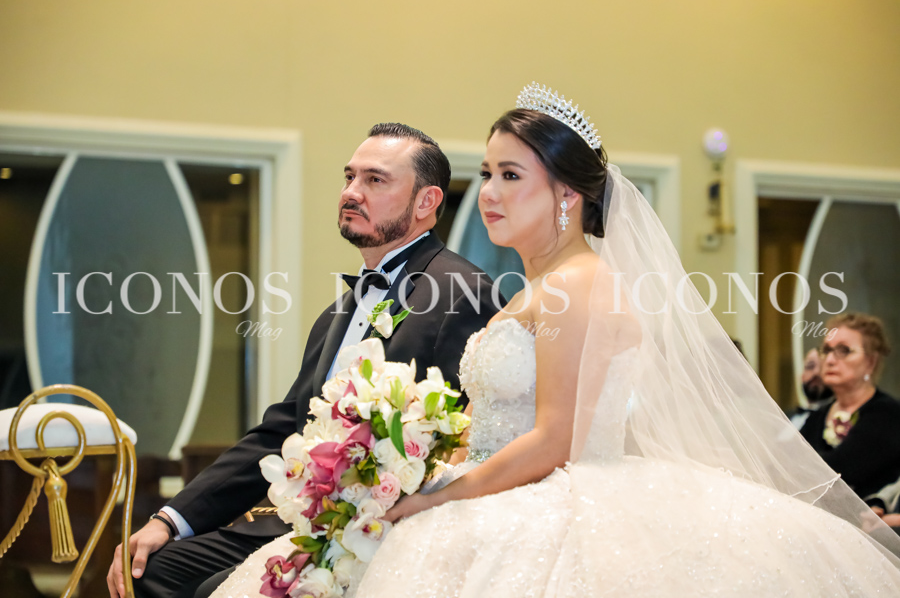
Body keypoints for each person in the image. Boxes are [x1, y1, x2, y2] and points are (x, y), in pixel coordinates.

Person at [209, 84, 900, 597]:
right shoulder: (534, 288)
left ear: (567, 195)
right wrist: (413, 459)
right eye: (486, 174)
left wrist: (435, 499)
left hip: (560, 503)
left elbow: (555, 437)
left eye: (511, 176)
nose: (489, 192)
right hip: (503, 486)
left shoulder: (580, 283)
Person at [106, 123, 501, 598]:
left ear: (426, 202)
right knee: (147, 571)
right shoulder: (337, 313)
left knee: (216, 589)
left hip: (384, 532)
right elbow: (282, 429)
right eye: (349, 177)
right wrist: (169, 519)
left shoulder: (462, 293)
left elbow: (472, 436)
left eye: (375, 180)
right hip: (292, 522)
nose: (351, 192)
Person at [799, 313, 900, 499]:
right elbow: (786, 462)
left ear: (871, 362)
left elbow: (839, 471)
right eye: (827, 350)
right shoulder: (817, 417)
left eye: (843, 350)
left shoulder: (887, 414)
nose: (830, 360)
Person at [790, 347, 834, 429]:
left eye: (823, 367)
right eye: (810, 366)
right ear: (802, 375)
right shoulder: (785, 417)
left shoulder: (838, 418)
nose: (816, 372)